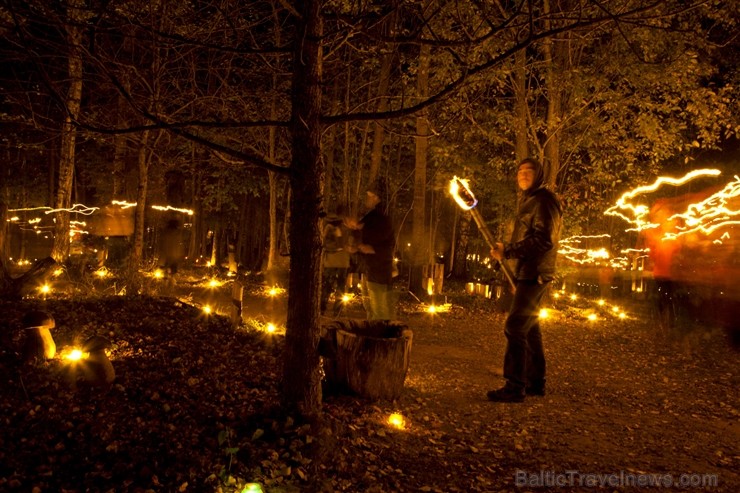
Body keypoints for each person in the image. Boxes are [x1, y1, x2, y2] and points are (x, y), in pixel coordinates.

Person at [487, 157, 562, 403]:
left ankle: (515, 385)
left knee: (515, 327)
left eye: (529, 171)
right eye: (520, 171)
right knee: (530, 330)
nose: (523, 175)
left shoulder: (543, 201)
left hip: (535, 272)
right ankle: (535, 382)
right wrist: (506, 252)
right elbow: (529, 237)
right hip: (528, 272)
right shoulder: (530, 201)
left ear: (538, 175)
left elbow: (543, 240)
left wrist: (508, 251)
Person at [345, 179, 396, 320]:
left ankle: (380, 338)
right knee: (370, 308)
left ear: (376, 198)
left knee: (379, 310)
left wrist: (371, 248)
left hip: (379, 271)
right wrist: (356, 246)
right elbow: (365, 233)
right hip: (370, 270)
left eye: (370, 195)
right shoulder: (372, 216)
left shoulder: (382, 218)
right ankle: (373, 334)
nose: (367, 198)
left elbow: (386, 246)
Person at [321, 210, 351, 317]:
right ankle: (335, 310)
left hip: (333, 261)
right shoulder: (342, 228)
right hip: (340, 261)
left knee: (329, 286)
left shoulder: (327, 228)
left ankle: (324, 308)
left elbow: (324, 243)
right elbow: (344, 244)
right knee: (338, 286)